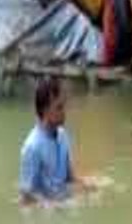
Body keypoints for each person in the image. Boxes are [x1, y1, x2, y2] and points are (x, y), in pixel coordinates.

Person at [18, 77, 92, 206]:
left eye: (63, 106)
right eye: (59, 107)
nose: (64, 112)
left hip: (61, 201)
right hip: (45, 213)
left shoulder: (63, 135)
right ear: (45, 111)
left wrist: (87, 185)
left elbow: (69, 177)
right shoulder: (32, 147)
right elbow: (26, 196)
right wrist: (52, 205)